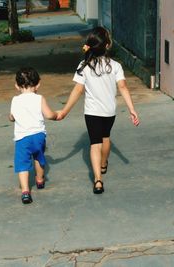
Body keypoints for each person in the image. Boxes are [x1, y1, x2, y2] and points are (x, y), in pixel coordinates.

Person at [56, 27, 140, 194]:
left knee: (95, 144)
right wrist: (132, 109)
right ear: (107, 45)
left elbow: (78, 90)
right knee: (105, 138)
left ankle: (98, 181)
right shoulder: (115, 66)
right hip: (109, 111)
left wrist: (64, 111)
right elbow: (122, 87)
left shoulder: (84, 65)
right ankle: (103, 165)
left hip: (92, 112)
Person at [9, 67, 57, 204]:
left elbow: (12, 117)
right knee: (38, 157)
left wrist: (11, 118)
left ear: (17, 86)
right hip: (38, 136)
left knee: (22, 163)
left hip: (22, 138)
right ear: (38, 84)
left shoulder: (15, 100)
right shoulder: (39, 98)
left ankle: (25, 191)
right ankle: (40, 180)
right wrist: (56, 115)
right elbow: (49, 115)